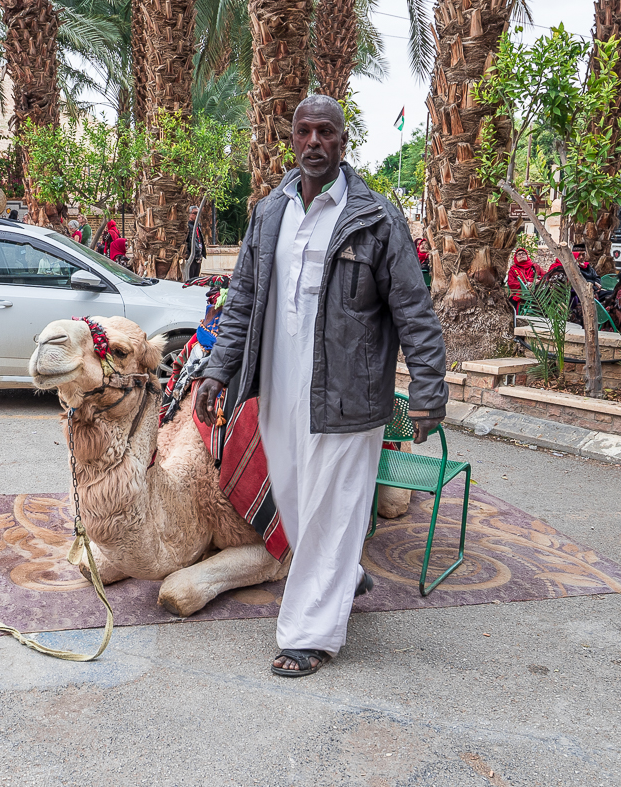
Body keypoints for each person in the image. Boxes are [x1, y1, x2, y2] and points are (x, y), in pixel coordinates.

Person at [193, 94, 447, 678]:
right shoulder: (268, 213)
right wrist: (218, 369)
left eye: (326, 132)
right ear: (291, 138)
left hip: (348, 394)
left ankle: (309, 634)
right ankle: (345, 575)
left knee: (331, 506)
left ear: (342, 140)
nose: (314, 142)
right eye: (304, 131)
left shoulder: (376, 218)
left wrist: (429, 388)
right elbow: (244, 303)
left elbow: (414, 310)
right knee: (300, 499)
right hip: (280, 387)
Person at [184, 205, 207, 279]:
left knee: (196, 278)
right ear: (190, 214)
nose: (197, 215)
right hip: (191, 256)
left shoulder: (197, 226)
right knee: (191, 277)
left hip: (198, 255)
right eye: (195, 213)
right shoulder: (188, 227)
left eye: (198, 213)